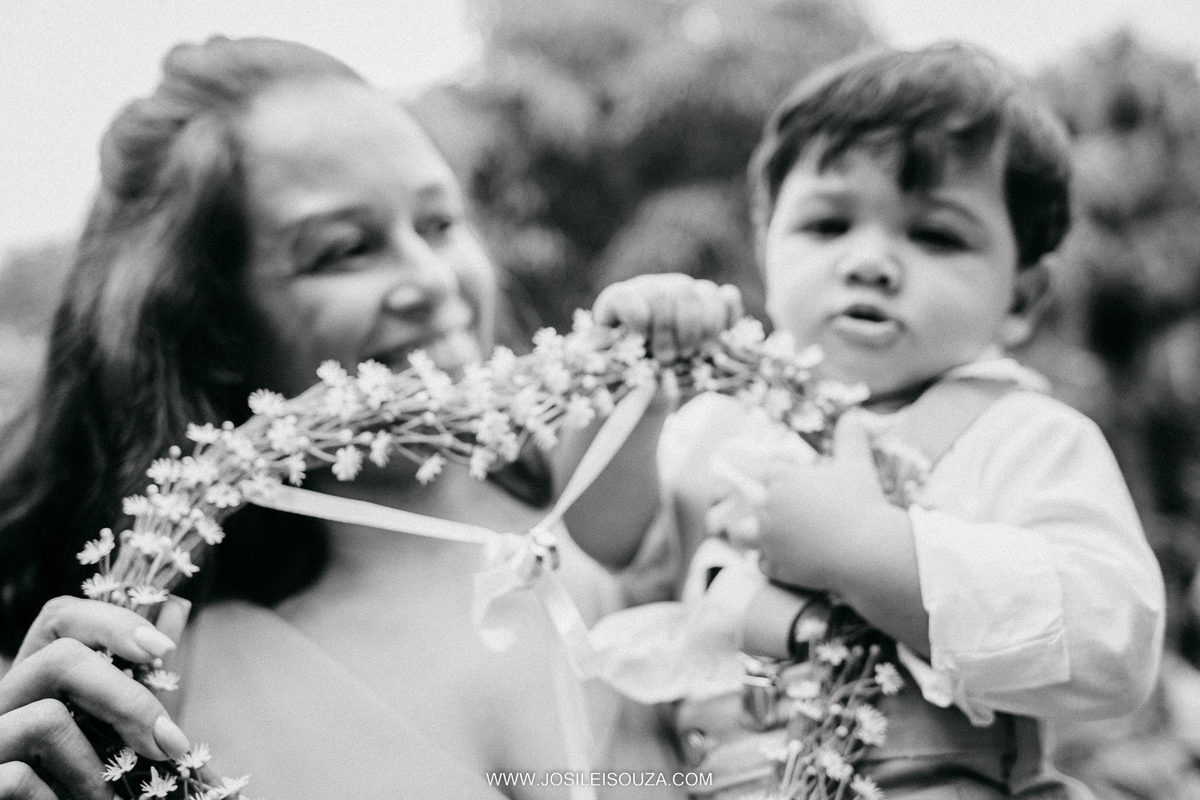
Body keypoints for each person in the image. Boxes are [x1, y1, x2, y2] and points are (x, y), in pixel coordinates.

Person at [0, 36, 677, 800]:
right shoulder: (142, 686)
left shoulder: (610, 504)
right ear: (210, 324)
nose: (431, 281)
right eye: (346, 250)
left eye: (440, 223)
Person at [581, 42, 1166, 798]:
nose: (871, 262)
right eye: (828, 225)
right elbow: (607, 538)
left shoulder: (1026, 437)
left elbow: (1113, 648)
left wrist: (865, 548)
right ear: (766, 245)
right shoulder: (715, 428)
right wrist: (630, 381)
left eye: (936, 235)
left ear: (1022, 296)